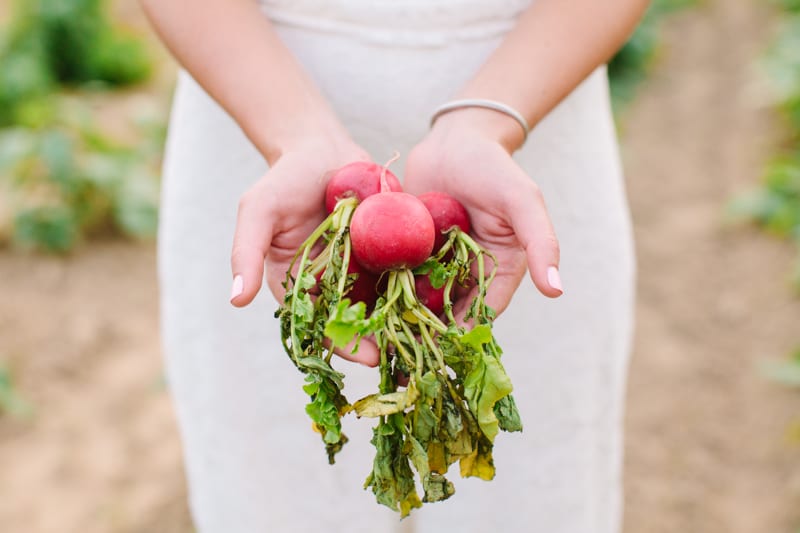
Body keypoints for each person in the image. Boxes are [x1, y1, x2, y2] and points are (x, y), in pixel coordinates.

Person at [142, 0, 645, 531]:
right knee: (275, 487)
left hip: (533, 109)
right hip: (253, 103)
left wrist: (489, 121)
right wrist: (293, 133)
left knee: (533, 495)